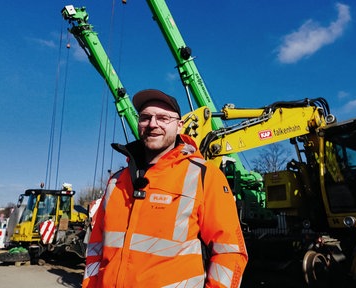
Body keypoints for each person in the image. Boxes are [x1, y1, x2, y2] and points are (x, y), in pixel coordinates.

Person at [82, 89, 248, 287]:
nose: (153, 124)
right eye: (145, 117)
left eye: (163, 118)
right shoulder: (116, 182)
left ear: (179, 126)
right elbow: (96, 249)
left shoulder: (204, 177)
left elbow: (230, 253)